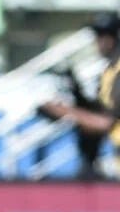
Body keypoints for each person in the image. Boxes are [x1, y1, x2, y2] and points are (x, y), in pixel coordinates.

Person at [38, 11, 120, 177]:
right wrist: (76, 94)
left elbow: (105, 122)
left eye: (106, 35)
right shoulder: (107, 72)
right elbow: (100, 111)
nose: (100, 42)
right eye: (98, 36)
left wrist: (65, 112)